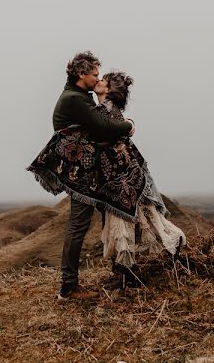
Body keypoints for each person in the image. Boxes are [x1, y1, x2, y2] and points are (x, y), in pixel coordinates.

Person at [27, 51, 135, 300]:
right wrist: (129, 125)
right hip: (82, 176)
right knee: (78, 225)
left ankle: (120, 272)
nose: (98, 78)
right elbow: (104, 126)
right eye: (95, 74)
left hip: (86, 173)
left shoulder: (78, 96)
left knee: (108, 216)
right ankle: (69, 286)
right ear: (81, 74)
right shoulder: (76, 99)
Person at [92, 71, 186, 289]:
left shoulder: (107, 112)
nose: (98, 81)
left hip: (122, 178)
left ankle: (127, 274)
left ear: (109, 90)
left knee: (125, 223)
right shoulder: (108, 112)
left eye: (102, 80)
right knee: (136, 221)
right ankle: (126, 272)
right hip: (120, 176)